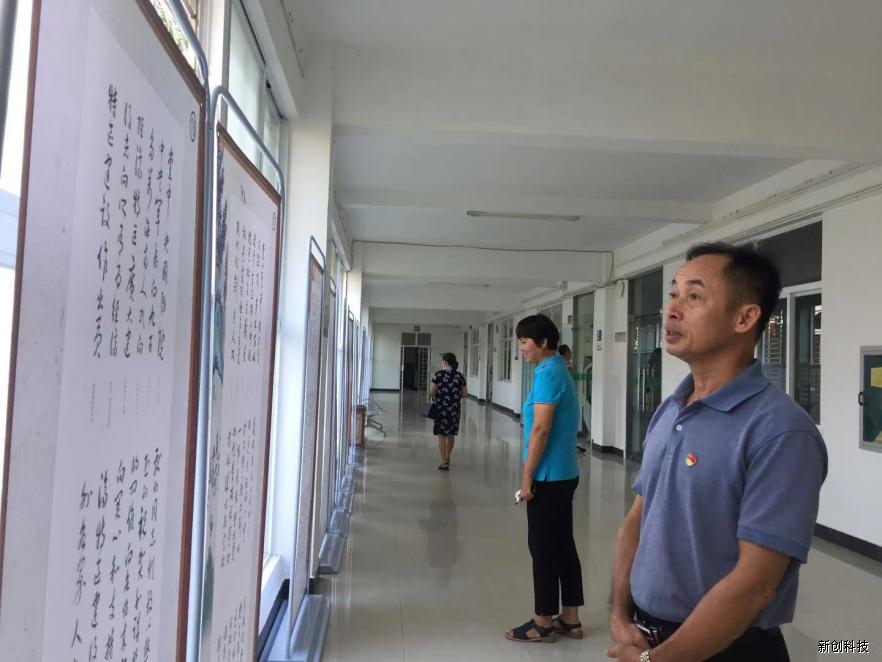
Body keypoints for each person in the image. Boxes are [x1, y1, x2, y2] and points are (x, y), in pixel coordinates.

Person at [607, 243, 828, 662]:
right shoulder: (671, 409)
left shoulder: (781, 432)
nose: (672, 310)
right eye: (673, 294)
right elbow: (637, 520)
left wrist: (658, 660)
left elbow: (754, 584)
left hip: (730, 648)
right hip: (647, 636)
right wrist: (620, 617)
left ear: (745, 318)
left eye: (693, 296)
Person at [506, 314, 584, 643]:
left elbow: (540, 428)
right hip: (564, 472)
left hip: (549, 476)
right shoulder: (554, 369)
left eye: (525, 342)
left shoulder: (549, 372)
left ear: (543, 342)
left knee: (543, 547)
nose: (522, 348)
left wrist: (527, 478)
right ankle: (570, 618)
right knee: (562, 544)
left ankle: (543, 621)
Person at [428, 353, 467, 470]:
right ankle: (448, 458)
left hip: (441, 409)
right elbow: (465, 394)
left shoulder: (438, 375)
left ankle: (444, 461)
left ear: (445, 362)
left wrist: (438, 394)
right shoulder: (460, 376)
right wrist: (454, 396)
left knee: (441, 434)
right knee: (450, 434)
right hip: (454, 410)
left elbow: (432, 391)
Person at [559, 344, 587, 453]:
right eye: (569, 352)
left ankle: (569, 444)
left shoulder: (563, 365)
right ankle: (568, 445)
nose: (571, 354)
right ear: (565, 353)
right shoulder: (565, 366)